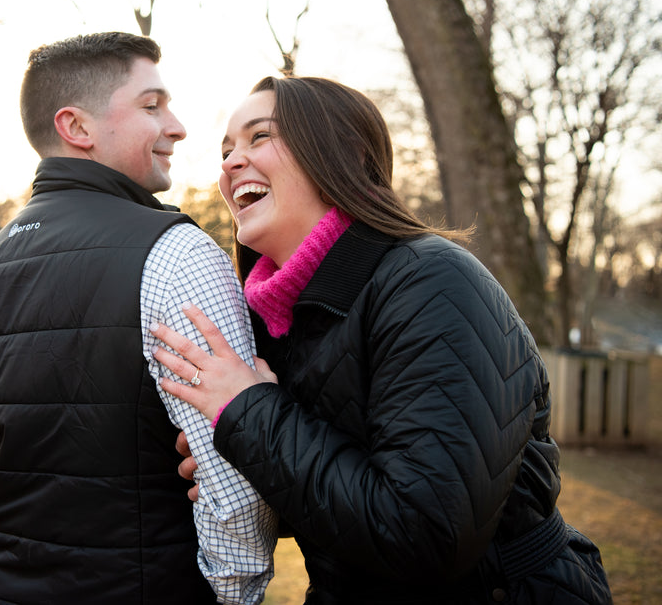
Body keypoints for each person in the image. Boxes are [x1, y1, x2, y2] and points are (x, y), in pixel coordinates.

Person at [151, 76, 612, 604]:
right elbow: (341, 496)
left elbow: (425, 535)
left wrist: (250, 412)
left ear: (339, 154)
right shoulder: (279, 318)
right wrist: (241, 459)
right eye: (227, 149)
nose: (230, 163)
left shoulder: (433, 284)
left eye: (260, 137)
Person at [0, 32, 277, 605]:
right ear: (77, 128)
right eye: (151, 106)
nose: (177, 126)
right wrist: (233, 594)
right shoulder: (177, 254)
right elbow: (233, 474)